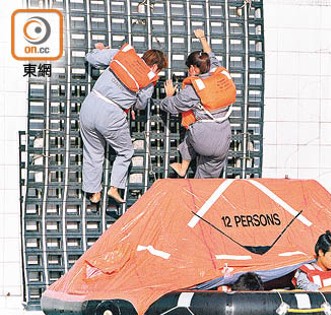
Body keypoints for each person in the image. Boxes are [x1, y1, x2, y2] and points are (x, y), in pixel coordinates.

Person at [80, 43, 167, 203]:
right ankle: (114, 187)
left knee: (93, 152)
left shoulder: (121, 54)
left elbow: (91, 58)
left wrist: (101, 51)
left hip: (90, 104)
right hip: (112, 113)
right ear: (155, 67)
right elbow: (141, 104)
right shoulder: (148, 80)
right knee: (125, 152)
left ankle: (94, 193)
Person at [161, 29, 234, 179]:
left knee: (189, 128)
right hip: (223, 139)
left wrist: (168, 96)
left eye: (189, 68)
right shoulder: (219, 74)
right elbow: (210, 56)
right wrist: (202, 38)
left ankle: (183, 166)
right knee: (205, 182)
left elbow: (172, 106)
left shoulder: (194, 89)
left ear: (194, 69)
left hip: (203, 138)